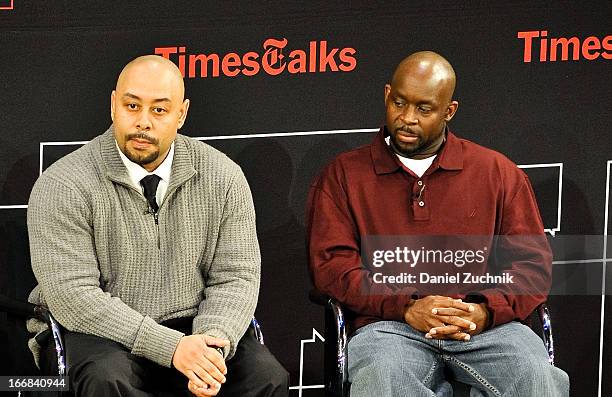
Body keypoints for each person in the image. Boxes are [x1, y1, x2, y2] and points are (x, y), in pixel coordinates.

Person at [306, 51, 569, 396]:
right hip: (389, 327)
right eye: (398, 103)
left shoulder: (497, 172)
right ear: (387, 95)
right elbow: (333, 269)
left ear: (449, 111)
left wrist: (483, 312)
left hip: (486, 328)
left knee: (536, 376)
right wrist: (407, 306)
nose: (407, 118)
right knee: (384, 380)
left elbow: (531, 267)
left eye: (424, 109)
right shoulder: (343, 175)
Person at [26, 55, 288, 396]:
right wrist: (171, 349)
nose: (143, 122)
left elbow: (236, 277)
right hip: (98, 334)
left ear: (182, 114)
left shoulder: (223, 177)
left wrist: (209, 350)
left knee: (266, 376)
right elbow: (75, 299)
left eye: (159, 110)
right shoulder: (62, 184)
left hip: (193, 327)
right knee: (107, 379)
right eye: (131, 106)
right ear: (113, 105)